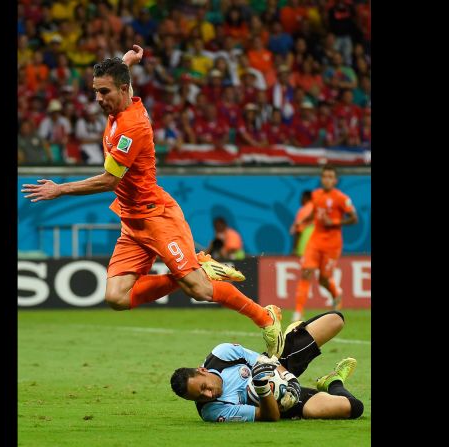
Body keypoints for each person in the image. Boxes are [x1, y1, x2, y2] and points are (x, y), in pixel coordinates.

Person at [21, 45, 284, 357]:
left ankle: (267, 319)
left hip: (157, 218)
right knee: (117, 298)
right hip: (132, 222)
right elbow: (121, 75)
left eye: (103, 92)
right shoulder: (121, 100)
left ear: (121, 89)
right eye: (95, 92)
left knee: (199, 289)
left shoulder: (130, 128)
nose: (98, 99)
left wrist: (59, 190)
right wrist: (127, 60)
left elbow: (109, 180)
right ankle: (193, 265)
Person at [169, 311, 364, 422]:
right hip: (280, 404)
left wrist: (289, 379)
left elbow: (265, 362)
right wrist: (263, 388)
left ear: (202, 370)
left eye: (204, 388)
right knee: (353, 408)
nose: (208, 395)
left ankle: (291, 337)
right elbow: (270, 416)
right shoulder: (212, 411)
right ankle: (334, 382)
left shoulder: (222, 354)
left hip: (274, 366)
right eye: (199, 397)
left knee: (336, 320)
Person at [292, 165, 358, 322]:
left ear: (335, 180)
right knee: (306, 272)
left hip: (332, 244)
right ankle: (298, 312)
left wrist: (334, 221)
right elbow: (315, 214)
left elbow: (354, 218)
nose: (327, 180)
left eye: (330, 177)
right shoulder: (316, 195)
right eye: (324, 176)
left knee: (324, 279)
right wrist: (302, 221)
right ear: (321, 178)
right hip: (315, 240)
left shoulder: (342, 198)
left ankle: (336, 294)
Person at [289, 190, 314, 256]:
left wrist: (294, 249)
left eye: (301, 197)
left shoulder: (303, 210)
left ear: (306, 198)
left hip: (305, 244)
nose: (300, 199)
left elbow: (298, 231)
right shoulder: (317, 208)